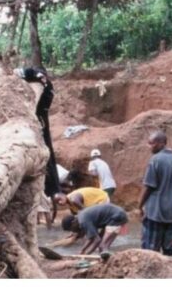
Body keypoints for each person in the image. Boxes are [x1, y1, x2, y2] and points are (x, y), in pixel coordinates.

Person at [13, 66, 61, 197]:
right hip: (40, 118)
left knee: (45, 151)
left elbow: (35, 75)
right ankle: (53, 189)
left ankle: (51, 189)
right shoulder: (47, 86)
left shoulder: (42, 83)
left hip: (39, 120)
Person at [138, 130, 172, 257]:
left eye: (152, 143)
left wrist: (140, 206)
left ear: (162, 143)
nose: (150, 146)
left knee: (150, 251)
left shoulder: (155, 160)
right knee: (170, 252)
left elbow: (149, 186)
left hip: (155, 211)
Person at [57, 203, 128, 256]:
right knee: (104, 247)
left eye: (72, 229)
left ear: (73, 222)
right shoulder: (81, 216)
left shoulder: (83, 221)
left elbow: (96, 240)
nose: (74, 231)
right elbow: (91, 238)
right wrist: (83, 250)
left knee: (102, 246)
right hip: (115, 216)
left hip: (116, 217)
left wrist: (86, 255)